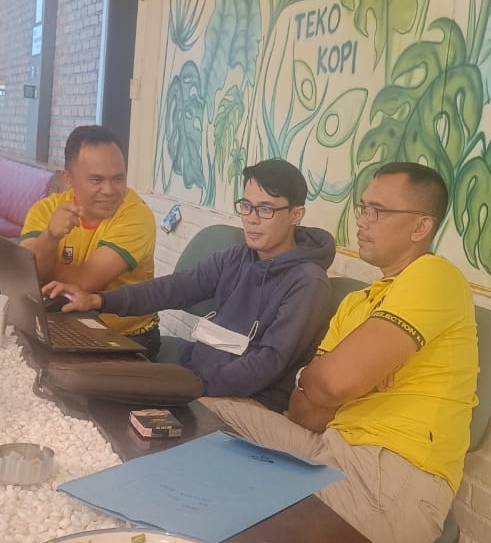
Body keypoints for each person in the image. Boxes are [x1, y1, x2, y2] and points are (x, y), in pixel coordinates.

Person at [203, 162, 478, 543]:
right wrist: (338, 377)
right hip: (326, 446)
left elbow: (333, 384)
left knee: (255, 529)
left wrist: (342, 379)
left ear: (421, 227)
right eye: (363, 208)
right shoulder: (355, 303)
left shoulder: (435, 276)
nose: (362, 221)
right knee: (207, 411)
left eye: (378, 211)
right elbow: (305, 410)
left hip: (392, 474)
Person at [48, 159, 335, 411]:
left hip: (245, 400)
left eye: (266, 209)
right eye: (247, 206)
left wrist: (190, 385)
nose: (252, 219)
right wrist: (99, 300)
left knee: (106, 401)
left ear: (296, 214)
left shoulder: (307, 283)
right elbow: (174, 288)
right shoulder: (237, 257)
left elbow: (266, 365)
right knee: (81, 387)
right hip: (197, 377)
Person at [20, 125, 159, 356]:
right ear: (68, 179)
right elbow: (22, 275)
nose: (109, 190)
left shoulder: (137, 216)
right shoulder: (46, 209)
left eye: (118, 178)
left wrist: (38, 269)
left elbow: (84, 282)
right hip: (62, 322)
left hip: (126, 337)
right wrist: (50, 237)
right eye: (96, 180)